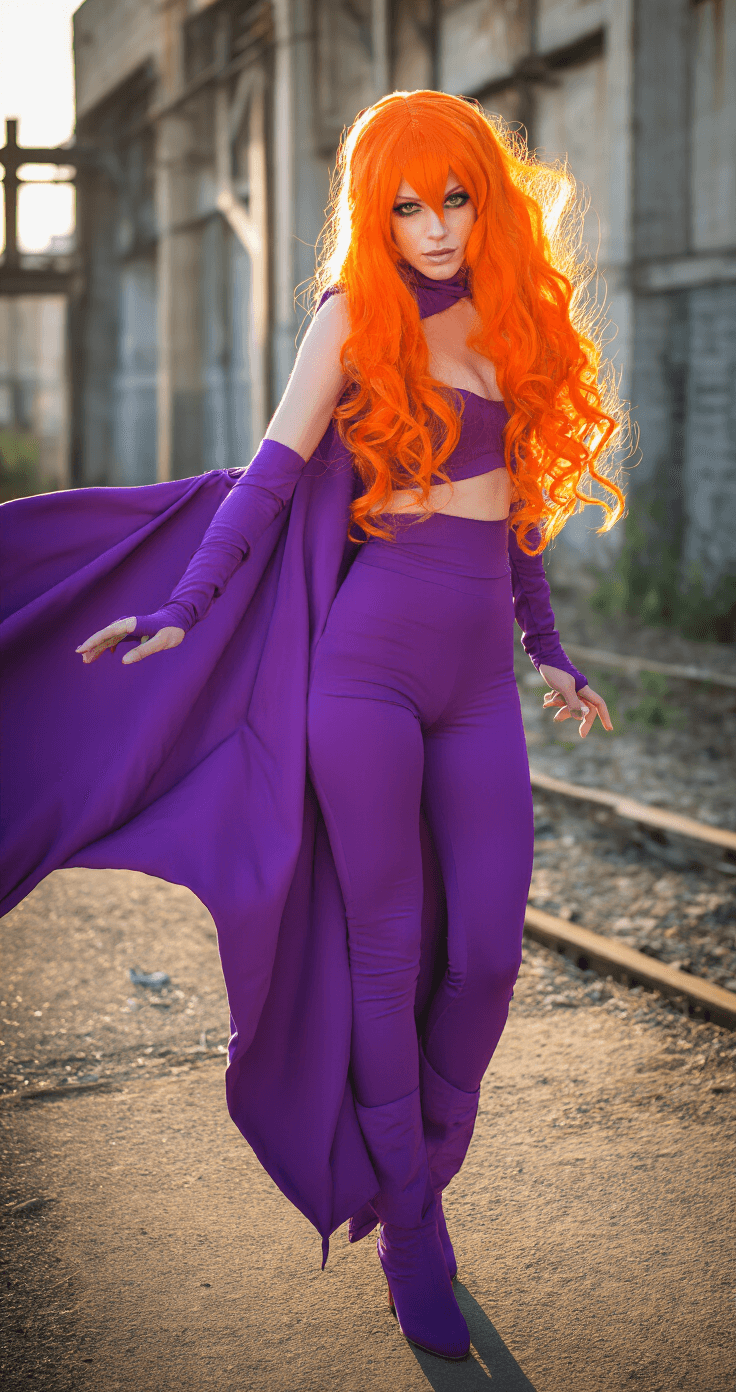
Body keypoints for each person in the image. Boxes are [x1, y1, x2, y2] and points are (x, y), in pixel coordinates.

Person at [1, 91, 624, 1362]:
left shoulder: (511, 327)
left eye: (455, 198)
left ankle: (417, 1164)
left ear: (484, 198)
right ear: (372, 210)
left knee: (489, 959)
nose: (436, 228)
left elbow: (514, 529)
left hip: (475, 693)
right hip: (364, 680)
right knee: (389, 957)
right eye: (405, 204)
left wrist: (549, 651)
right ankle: (413, 1232)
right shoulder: (351, 321)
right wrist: (182, 607)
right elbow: (269, 480)